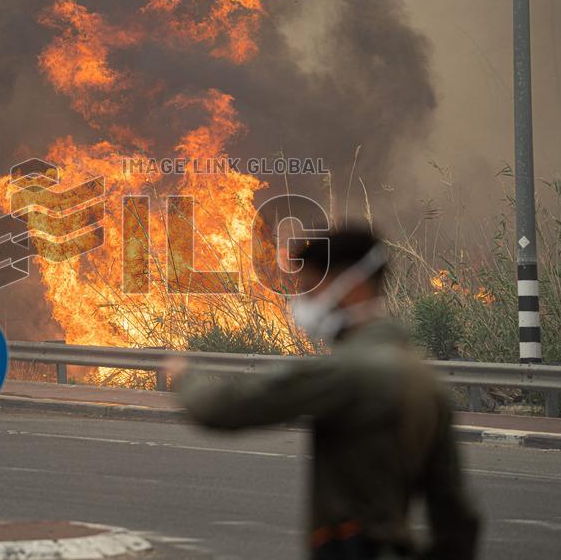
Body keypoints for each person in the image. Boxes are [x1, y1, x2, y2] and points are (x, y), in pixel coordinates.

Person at [174, 226, 480, 559]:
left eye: (312, 289)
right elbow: (455, 516)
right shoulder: (424, 379)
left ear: (354, 286)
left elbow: (224, 407)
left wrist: (185, 376)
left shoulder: (348, 373)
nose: (304, 302)